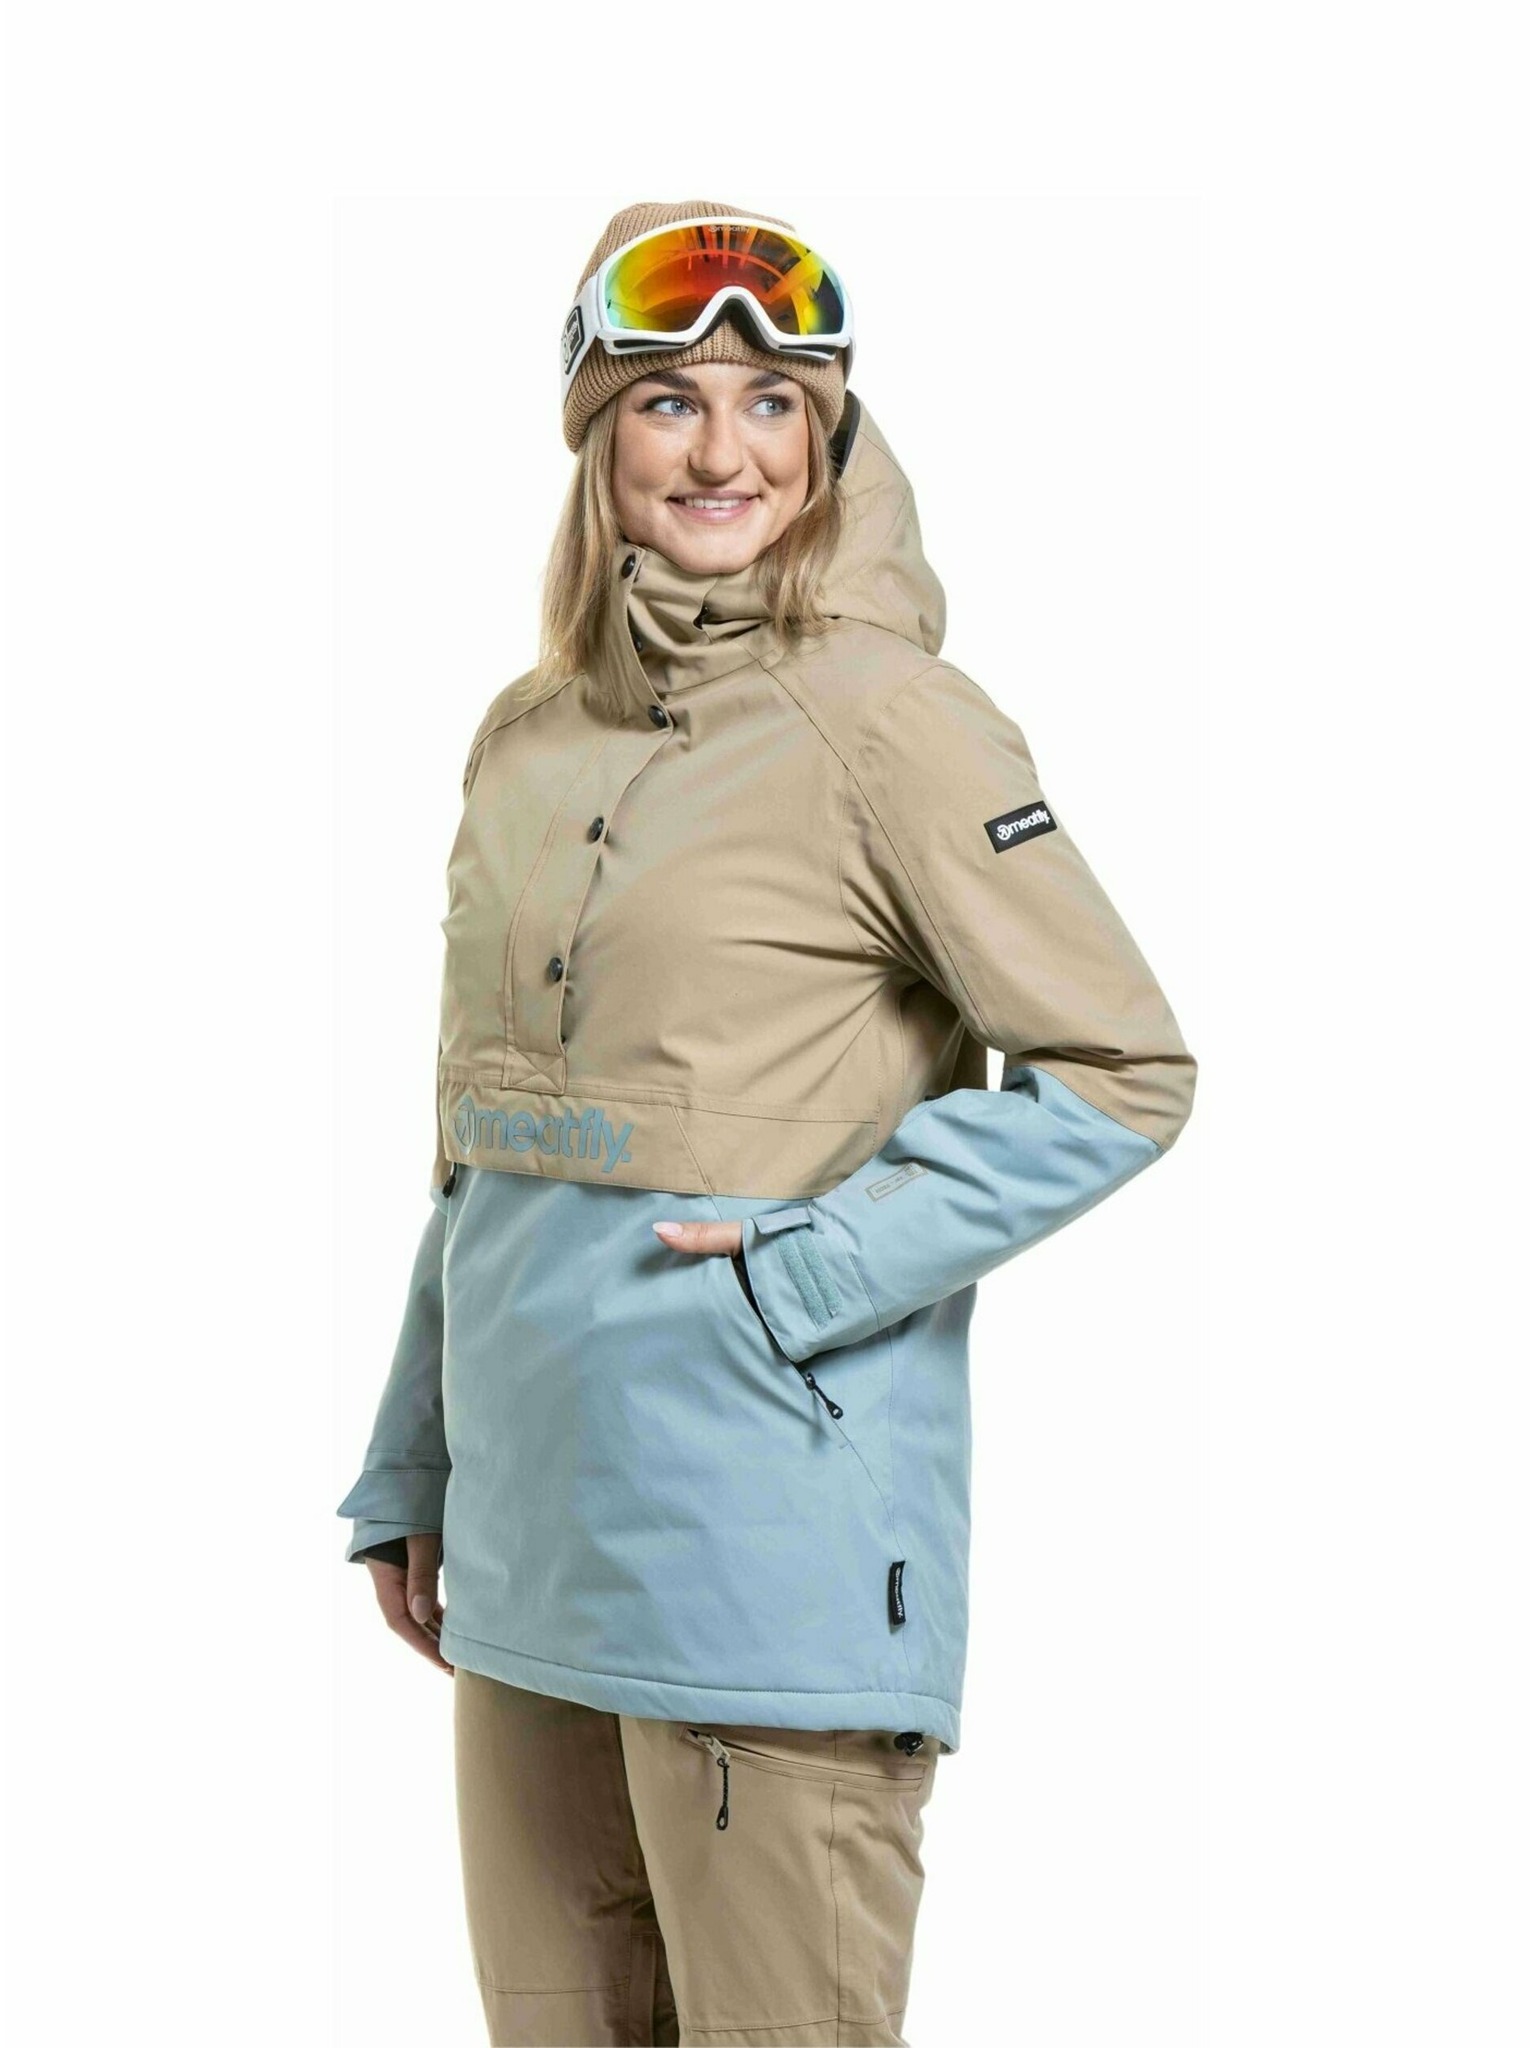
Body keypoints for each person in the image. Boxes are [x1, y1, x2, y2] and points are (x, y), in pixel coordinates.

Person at [337, 200, 1198, 2048]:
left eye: (772, 403)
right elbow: (484, 1149)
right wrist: (414, 1459)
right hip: (525, 1558)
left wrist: (806, 1272)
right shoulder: (526, 738)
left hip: (766, 1551)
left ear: (828, 436)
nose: (722, 451)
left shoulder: (898, 723)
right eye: (667, 400)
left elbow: (1123, 1069)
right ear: (596, 435)